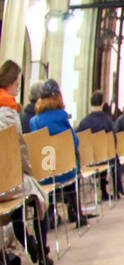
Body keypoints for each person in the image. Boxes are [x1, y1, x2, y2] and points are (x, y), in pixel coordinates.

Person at [0, 61, 52, 265]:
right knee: (38, 195)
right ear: (13, 83)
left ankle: (32, 246)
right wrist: (30, 173)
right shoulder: (10, 112)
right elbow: (20, 151)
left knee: (17, 208)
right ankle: (41, 251)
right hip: (9, 183)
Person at [28, 79, 85, 230]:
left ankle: (51, 214)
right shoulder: (62, 116)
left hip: (45, 174)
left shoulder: (34, 121)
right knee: (74, 157)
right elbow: (74, 142)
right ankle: (76, 210)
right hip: (66, 172)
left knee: (49, 167)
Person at [77, 90, 124, 198]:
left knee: (100, 154)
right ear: (102, 104)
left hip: (88, 159)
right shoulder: (106, 120)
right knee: (112, 156)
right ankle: (116, 189)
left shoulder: (84, 122)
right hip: (104, 157)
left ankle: (102, 189)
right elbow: (113, 140)